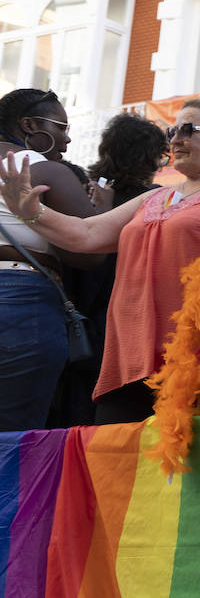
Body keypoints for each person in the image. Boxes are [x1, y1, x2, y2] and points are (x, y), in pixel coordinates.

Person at [0, 98, 200, 424]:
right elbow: (86, 235)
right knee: (118, 460)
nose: (175, 139)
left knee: (195, 463)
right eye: (173, 130)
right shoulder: (155, 196)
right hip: (130, 352)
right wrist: (32, 214)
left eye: (188, 129)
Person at [0, 89, 110, 431]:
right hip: (20, 302)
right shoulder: (44, 169)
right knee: (11, 439)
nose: (67, 138)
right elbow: (89, 251)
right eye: (60, 126)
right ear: (29, 125)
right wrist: (103, 204)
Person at [50, 113, 169, 426]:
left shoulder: (82, 192)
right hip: (125, 320)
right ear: (151, 156)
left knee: (70, 412)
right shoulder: (159, 201)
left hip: (73, 315)